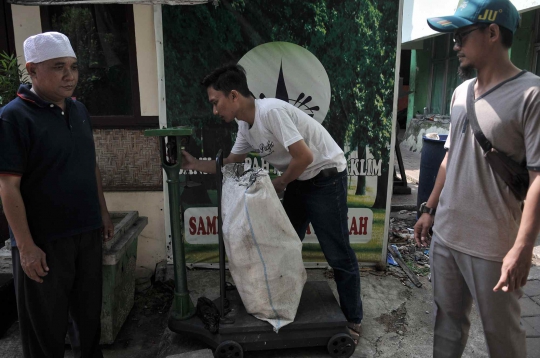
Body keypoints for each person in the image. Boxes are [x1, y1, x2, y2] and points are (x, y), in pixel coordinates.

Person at [182, 64, 363, 344]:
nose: (215, 111)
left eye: (215, 103)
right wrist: (195, 164)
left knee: (338, 252)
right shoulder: (245, 125)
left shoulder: (271, 112)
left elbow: (304, 157)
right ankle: (280, 302)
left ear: (233, 96)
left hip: (325, 178)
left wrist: (279, 184)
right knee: (281, 243)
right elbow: (230, 164)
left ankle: (353, 318)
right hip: (299, 181)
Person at [414, 1, 540, 357]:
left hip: (493, 247)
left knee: (502, 338)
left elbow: (538, 177)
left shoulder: (531, 94)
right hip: (447, 236)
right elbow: (451, 157)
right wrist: (429, 208)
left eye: (461, 35)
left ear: (493, 32)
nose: (455, 44)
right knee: (447, 326)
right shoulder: (460, 94)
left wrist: (523, 246)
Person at [0, 32, 114, 358]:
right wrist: (25, 247)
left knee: (89, 323)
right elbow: (8, 185)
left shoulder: (78, 110)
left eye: (74, 67)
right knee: (45, 332)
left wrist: (102, 213)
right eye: (59, 67)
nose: (70, 76)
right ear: (33, 70)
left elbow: (88, 164)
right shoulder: (14, 117)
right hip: (44, 242)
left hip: (87, 233)